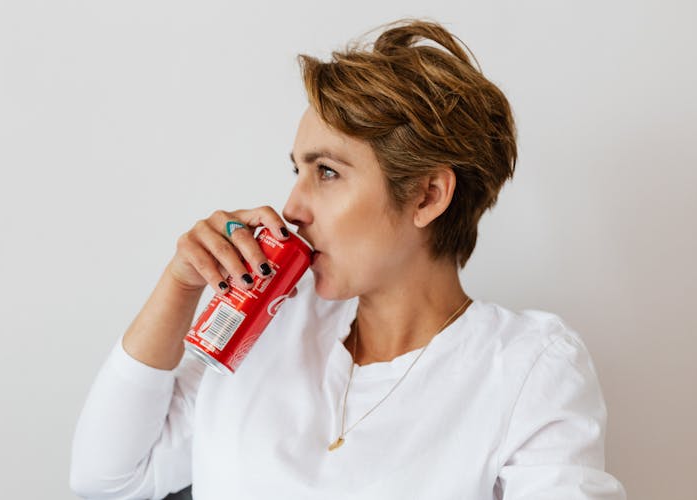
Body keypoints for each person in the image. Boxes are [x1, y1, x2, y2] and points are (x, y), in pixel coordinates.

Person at [70, 18, 626, 500]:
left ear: (428, 195)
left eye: (327, 172)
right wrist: (180, 284)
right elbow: (108, 477)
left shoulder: (527, 367)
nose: (293, 207)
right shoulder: (271, 324)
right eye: (298, 170)